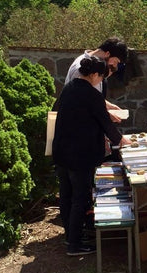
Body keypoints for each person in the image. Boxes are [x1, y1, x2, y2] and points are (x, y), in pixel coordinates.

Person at [53, 55, 131, 256]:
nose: (101, 82)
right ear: (94, 74)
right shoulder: (91, 94)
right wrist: (123, 141)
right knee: (80, 197)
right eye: (101, 77)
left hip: (62, 151)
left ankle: (70, 236)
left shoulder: (68, 88)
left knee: (67, 195)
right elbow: (106, 124)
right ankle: (75, 244)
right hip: (80, 154)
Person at [65, 37, 128, 119]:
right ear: (107, 54)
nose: (115, 66)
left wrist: (108, 106)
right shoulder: (80, 68)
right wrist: (105, 115)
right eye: (116, 62)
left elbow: (91, 96)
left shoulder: (99, 66)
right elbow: (80, 100)